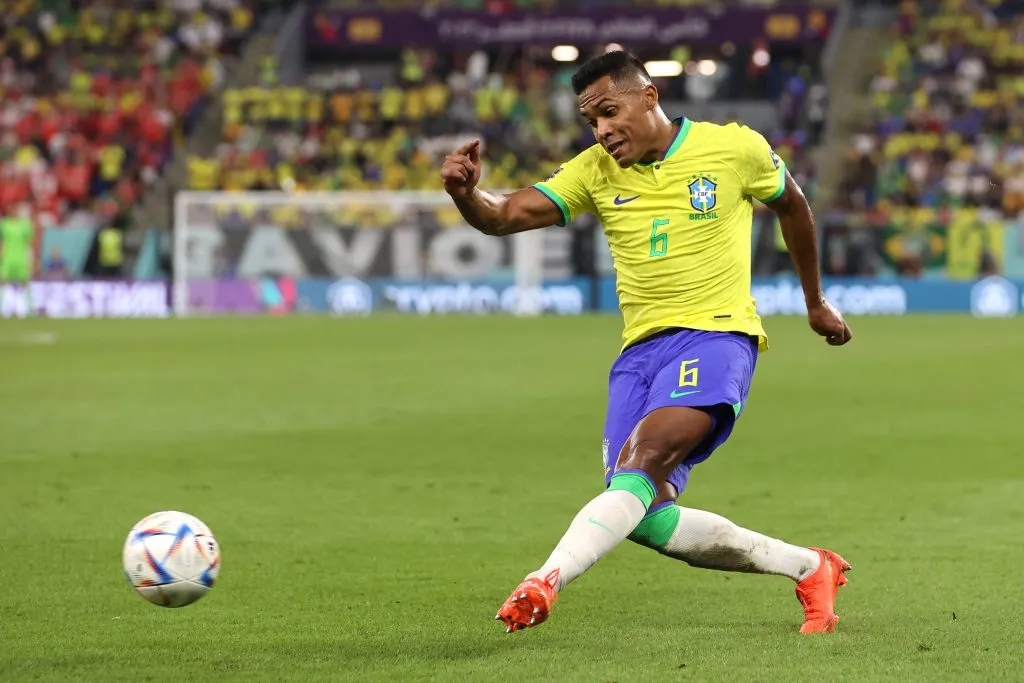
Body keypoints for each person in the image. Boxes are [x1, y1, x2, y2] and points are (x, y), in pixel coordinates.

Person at [440, 51, 854, 635]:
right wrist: (465, 194)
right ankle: (810, 567)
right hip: (639, 357)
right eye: (592, 122)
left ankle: (544, 581)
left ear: (649, 96)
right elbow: (504, 214)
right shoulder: (593, 171)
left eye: (610, 112)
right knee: (646, 516)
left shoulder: (734, 148)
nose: (603, 130)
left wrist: (814, 301)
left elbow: (793, 205)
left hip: (717, 335)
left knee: (644, 461)